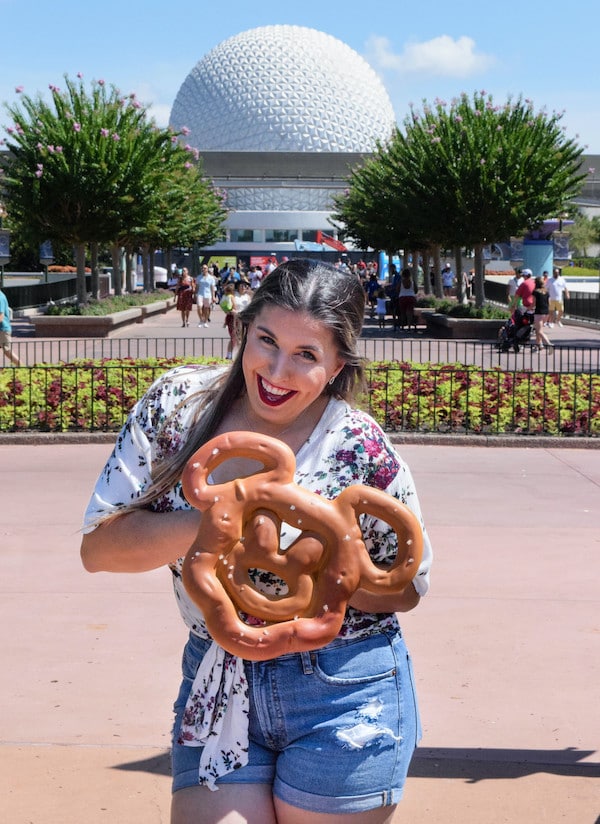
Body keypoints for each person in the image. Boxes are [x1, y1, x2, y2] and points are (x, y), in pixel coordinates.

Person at [80, 259, 433, 824]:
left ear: (339, 364)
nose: (276, 370)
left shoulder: (360, 448)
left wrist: (324, 566)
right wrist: (220, 523)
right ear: (242, 329)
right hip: (218, 673)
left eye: (307, 355)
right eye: (265, 340)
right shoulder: (175, 407)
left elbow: (408, 585)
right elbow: (98, 550)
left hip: (344, 683)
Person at [0, 288, 22, 366]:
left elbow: (1, 316)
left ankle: (22, 366)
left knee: (7, 350)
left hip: (2, 329)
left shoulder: (0, 297)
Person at [532, 276, 553, 352]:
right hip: (546, 312)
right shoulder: (546, 292)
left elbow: (533, 303)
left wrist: (528, 308)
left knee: (540, 331)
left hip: (539, 312)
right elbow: (549, 303)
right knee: (538, 330)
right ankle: (538, 346)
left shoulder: (535, 292)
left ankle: (549, 344)